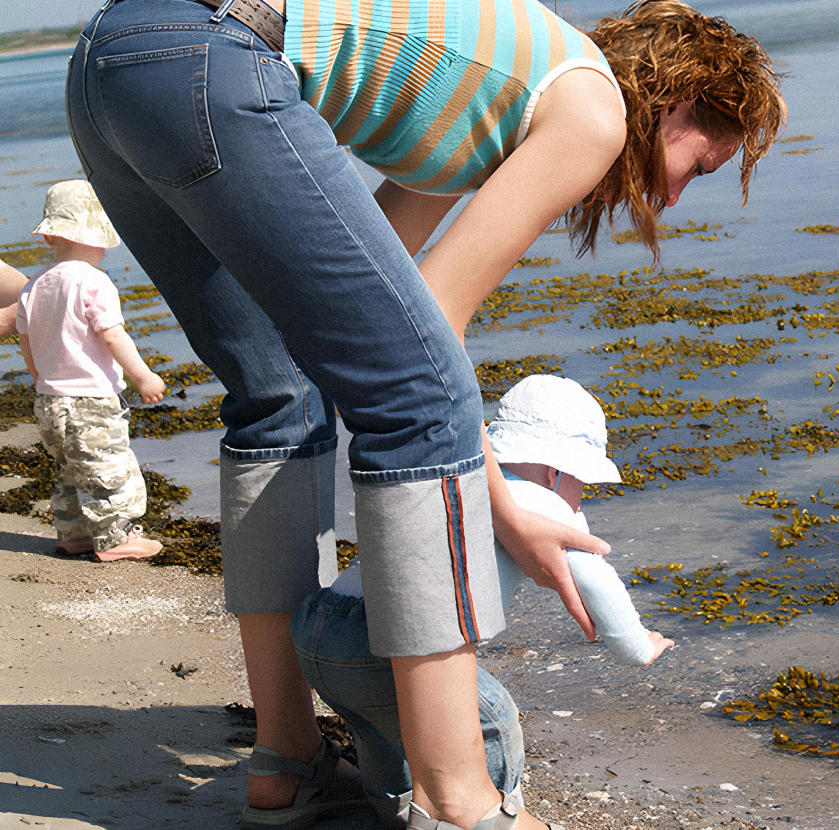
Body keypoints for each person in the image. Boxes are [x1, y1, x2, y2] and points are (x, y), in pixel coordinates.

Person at [67, 0, 783, 827]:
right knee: (426, 397)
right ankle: (461, 801)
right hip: (217, 53)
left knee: (278, 393)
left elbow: (377, 295)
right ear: (682, 102)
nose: (683, 194)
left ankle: (286, 758)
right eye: (703, 164)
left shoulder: (481, 109)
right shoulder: (593, 109)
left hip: (113, 58)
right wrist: (507, 511)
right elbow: (428, 332)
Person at [292, 374, 673, 828]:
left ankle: (394, 810)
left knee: (378, 730)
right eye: (583, 483)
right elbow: (598, 580)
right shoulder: (542, 503)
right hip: (375, 641)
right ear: (557, 471)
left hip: (320, 627)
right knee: (491, 719)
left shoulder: (461, 482)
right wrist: (637, 646)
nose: (581, 496)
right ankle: (492, 816)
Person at [14, 180, 167, 561]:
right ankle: (117, 538)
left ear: (50, 236)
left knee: (68, 471)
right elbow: (113, 337)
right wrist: (143, 376)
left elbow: (25, 340)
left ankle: (74, 535)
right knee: (109, 468)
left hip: (50, 402)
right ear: (98, 238)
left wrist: (39, 380)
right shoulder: (93, 281)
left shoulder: (33, 287)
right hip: (92, 401)